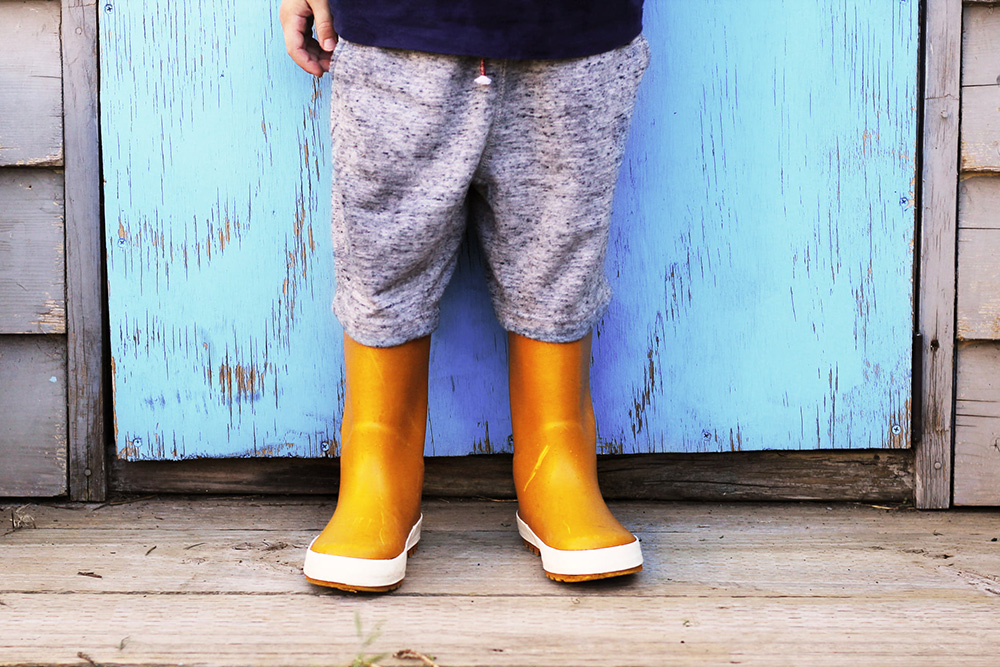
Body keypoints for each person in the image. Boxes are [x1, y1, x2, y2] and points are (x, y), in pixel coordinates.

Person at [279, 0, 649, 593]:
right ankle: (377, 459)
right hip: (394, 34)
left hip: (577, 34)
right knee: (386, 250)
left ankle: (557, 456)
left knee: (558, 252)